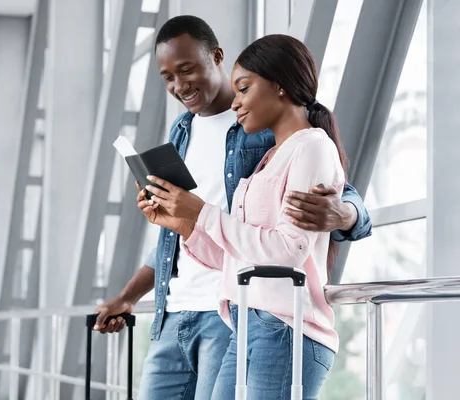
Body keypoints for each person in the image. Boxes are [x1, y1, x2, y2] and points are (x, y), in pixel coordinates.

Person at [94, 16, 371, 399]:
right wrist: (134, 287)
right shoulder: (183, 132)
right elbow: (183, 240)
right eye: (167, 77)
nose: (179, 85)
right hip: (186, 309)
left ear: (217, 57)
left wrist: (347, 213)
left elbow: (333, 198)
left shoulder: (270, 134)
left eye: (187, 69)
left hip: (241, 312)